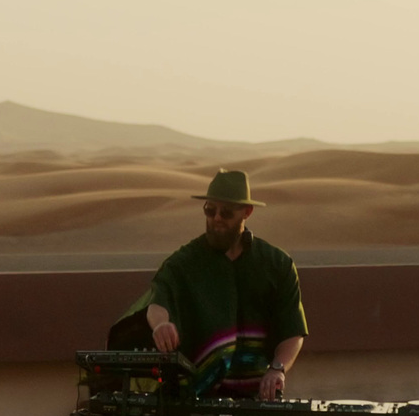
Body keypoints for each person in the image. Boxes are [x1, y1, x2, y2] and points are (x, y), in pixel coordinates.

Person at [110, 169, 307, 400]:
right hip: (196, 397)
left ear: (247, 212)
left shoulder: (277, 265)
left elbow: (292, 331)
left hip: (255, 398)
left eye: (226, 212)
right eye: (210, 210)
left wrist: (277, 369)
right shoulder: (184, 262)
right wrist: (161, 325)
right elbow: (159, 301)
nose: (217, 219)